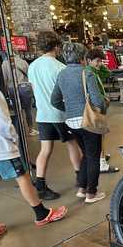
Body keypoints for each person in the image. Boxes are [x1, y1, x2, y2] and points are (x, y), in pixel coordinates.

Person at [0, 47, 67, 244]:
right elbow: (2, 123)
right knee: (23, 178)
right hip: (0, 147)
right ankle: (41, 213)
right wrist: (14, 139)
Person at [28, 31, 83, 200]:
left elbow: (33, 88)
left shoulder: (33, 66)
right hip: (60, 114)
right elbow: (65, 94)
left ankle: (41, 184)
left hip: (42, 114)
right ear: (57, 46)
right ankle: (81, 179)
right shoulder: (60, 68)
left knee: (45, 149)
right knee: (72, 144)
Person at [51, 43, 107, 204]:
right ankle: (91, 193)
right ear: (83, 58)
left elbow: (54, 100)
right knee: (94, 157)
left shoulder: (61, 74)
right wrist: (103, 106)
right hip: (88, 121)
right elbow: (97, 100)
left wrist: (69, 109)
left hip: (71, 122)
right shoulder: (86, 73)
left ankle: (82, 188)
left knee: (85, 156)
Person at [85, 47, 119, 174]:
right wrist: (103, 104)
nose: (99, 64)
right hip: (96, 108)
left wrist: (100, 65)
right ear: (88, 60)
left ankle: (101, 157)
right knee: (100, 134)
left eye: (101, 61)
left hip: (97, 107)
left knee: (100, 135)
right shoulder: (90, 72)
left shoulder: (93, 70)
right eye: (97, 61)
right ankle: (102, 162)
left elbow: (108, 73)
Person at [1, 52, 38, 135]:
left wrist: (6, 90)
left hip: (12, 88)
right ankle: (30, 129)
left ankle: (20, 129)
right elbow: (30, 74)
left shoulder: (4, 64)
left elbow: (5, 79)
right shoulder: (23, 61)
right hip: (24, 87)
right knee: (28, 110)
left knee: (17, 110)